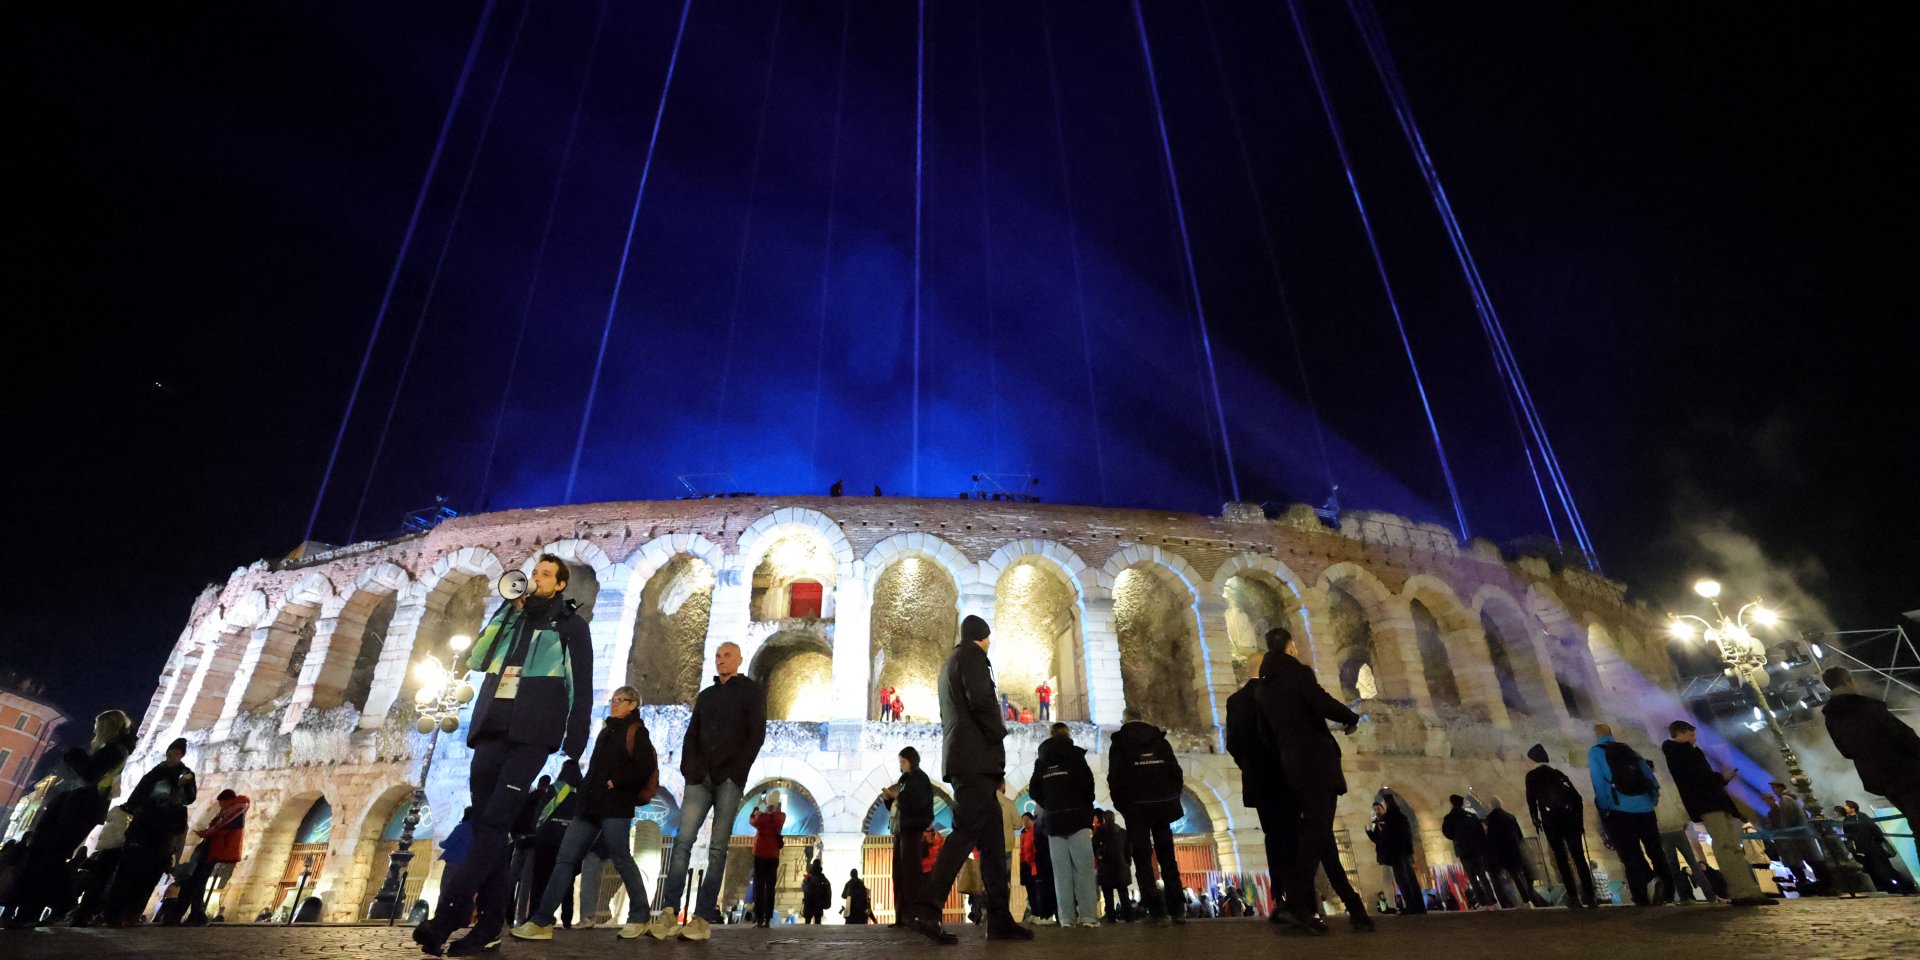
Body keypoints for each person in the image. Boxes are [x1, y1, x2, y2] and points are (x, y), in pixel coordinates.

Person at [415, 554, 594, 958]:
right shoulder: (513, 616)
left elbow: (581, 684)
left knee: (494, 821)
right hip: (492, 726)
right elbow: (477, 659)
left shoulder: (570, 625)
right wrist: (505, 610)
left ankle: (449, 916)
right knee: (486, 828)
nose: (536, 579)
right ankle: (489, 926)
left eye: (545, 575)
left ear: (560, 584)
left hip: (533, 732)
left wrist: (575, 741)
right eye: (534, 573)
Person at [903, 615, 1031, 943]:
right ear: (983, 637)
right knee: (965, 833)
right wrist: (998, 733)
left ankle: (1000, 918)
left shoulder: (950, 664)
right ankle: (926, 908)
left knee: (992, 843)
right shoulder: (973, 658)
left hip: (964, 757)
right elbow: (982, 701)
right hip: (975, 759)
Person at [512, 685, 659, 942]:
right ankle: (542, 920)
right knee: (565, 859)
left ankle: (640, 915)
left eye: (620, 700)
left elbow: (644, 766)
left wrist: (616, 781)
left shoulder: (637, 731)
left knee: (621, 858)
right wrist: (584, 791)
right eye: (613, 699)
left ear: (633, 704)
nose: (614, 703)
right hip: (590, 806)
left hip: (615, 806)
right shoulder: (606, 730)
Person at [649, 641, 766, 942]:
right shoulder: (706, 695)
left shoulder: (750, 692)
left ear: (739, 660)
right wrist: (689, 769)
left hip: (729, 779)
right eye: (717, 656)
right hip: (699, 778)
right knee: (683, 841)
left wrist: (738, 771)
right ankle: (669, 911)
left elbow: (756, 734)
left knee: (717, 848)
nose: (721, 660)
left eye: (727, 655)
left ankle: (701, 917)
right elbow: (692, 734)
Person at [1255, 629, 1363, 935]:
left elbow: (1265, 735)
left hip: (1291, 766)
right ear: (1290, 647)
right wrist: (1350, 717)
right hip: (1317, 762)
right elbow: (1320, 701)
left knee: (1318, 834)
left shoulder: (1263, 688)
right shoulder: (1298, 674)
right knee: (1317, 833)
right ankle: (1297, 903)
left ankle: (1352, 908)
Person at [6, 709, 137, 928]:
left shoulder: (116, 750)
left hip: (83, 807)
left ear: (108, 728)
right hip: (71, 802)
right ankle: (29, 907)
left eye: (98, 726)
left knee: (51, 858)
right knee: (41, 853)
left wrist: (73, 754)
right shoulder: (107, 748)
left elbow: (91, 774)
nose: (95, 730)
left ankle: (42, 908)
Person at [1659, 720, 1770, 906]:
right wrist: (1721, 777)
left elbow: (1703, 778)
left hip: (1716, 802)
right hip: (1708, 804)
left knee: (1733, 847)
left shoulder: (1689, 752)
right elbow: (1696, 778)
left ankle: (1749, 890)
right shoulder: (1679, 752)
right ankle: (1740, 892)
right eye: (1691, 734)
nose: (1694, 738)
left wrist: (1722, 782)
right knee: (1725, 846)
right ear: (1679, 733)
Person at [104, 736, 197, 924]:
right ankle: (113, 913)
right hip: (144, 826)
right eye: (171, 752)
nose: (172, 756)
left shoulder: (185, 774)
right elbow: (137, 796)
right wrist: (138, 807)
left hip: (162, 830)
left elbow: (189, 798)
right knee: (128, 871)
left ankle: (131, 913)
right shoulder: (155, 772)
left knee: (148, 874)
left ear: (181, 755)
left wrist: (181, 787)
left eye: (177, 753)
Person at [1108, 707, 1185, 924]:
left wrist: (1123, 806)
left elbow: (1115, 778)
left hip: (1136, 809)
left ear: (1124, 720)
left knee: (1142, 859)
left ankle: (1156, 911)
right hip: (1162, 805)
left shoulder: (1120, 742)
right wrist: (1171, 796)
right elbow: (1175, 771)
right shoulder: (1159, 740)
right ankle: (1177, 909)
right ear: (1142, 719)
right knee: (1167, 857)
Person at [1587, 724, 1673, 907]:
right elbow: (1648, 775)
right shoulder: (1629, 750)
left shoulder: (1595, 752)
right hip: (1645, 808)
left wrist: (1605, 808)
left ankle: (1647, 884)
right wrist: (1652, 799)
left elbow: (1598, 783)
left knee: (1630, 854)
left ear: (1596, 734)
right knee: (1655, 850)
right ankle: (1668, 892)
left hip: (1620, 809)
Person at [1821, 667, 1920, 826]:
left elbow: (1845, 751)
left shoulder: (1831, 718)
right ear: (1848, 680)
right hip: (1905, 770)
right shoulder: (1864, 706)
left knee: (1914, 820)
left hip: (1879, 778)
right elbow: (1902, 734)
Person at [1029, 722, 1098, 928]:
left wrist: (1050, 805)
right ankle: (1088, 917)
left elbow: (1034, 790)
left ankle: (1066, 918)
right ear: (1068, 735)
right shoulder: (1076, 755)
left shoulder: (1042, 760)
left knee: (1061, 872)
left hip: (1054, 820)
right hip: (1077, 818)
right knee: (1083, 869)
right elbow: (1088, 785)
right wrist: (1083, 805)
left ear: (1051, 734)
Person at [1524, 743, 1596, 908]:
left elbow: (1531, 801)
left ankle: (1573, 897)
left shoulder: (1532, 776)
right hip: (1570, 821)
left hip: (1552, 822)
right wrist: (1579, 822)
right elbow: (1577, 798)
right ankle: (1590, 895)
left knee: (1561, 859)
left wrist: (1536, 819)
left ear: (1533, 760)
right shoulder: (1558, 774)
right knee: (1579, 858)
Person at [177, 788, 249, 925]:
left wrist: (205, 833)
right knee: (198, 881)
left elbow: (221, 828)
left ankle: (196, 915)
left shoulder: (235, 810)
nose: (220, 806)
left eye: (221, 803)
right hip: (212, 848)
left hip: (214, 849)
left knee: (197, 881)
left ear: (226, 800)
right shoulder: (231, 811)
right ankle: (196, 914)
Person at [881, 746, 934, 924]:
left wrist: (899, 797)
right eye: (900, 762)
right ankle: (901, 915)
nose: (901, 765)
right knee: (898, 872)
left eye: (903, 762)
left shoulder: (920, 779)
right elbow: (898, 806)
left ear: (912, 761)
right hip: (900, 830)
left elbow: (917, 803)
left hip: (912, 830)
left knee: (910, 873)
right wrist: (889, 799)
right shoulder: (904, 780)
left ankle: (911, 915)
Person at [1483, 797, 1549, 907]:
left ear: (1490, 806)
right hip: (1515, 851)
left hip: (1502, 854)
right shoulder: (1510, 817)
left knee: (1503, 880)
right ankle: (1530, 901)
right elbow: (1520, 836)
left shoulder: (1491, 820)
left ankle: (1516, 903)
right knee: (1519, 877)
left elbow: (1492, 840)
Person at [1839, 800, 1914, 895]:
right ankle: (1887, 888)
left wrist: (1875, 842)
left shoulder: (1863, 817)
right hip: (1862, 851)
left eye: (1846, 805)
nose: (1844, 807)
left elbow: (1876, 830)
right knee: (1872, 870)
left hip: (1874, 848)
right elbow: (1849, 836)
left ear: (1853, 808)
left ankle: (1905, 887)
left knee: (1885, 869)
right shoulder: (1847, 821)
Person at [1366, 795, 1424, 914]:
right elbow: (1408, 834)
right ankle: (1418, 906)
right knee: (1410, 878)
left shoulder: (1388, 818)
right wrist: (1410, 851)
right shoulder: (1401, 816)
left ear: (1385, 805)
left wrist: (1372, 833)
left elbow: (1385, 838)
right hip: (1403, 852)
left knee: (1402, 879)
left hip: (1394, 853)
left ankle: (1410, 906)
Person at [1764, 781, 1823, 895]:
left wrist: (1783, 831)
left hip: (1796, 837)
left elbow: (1787, 820)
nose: (1774, 791)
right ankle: (1817, 885)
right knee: (1811, 861)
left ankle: (1821, 886)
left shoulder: (1785, 800)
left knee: (1811, 861)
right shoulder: (1788, 800)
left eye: (1774, 788)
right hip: (1798, 837)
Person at [509, 774, 553, 924]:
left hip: (520, 841)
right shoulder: (546, 800)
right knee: (526, 883)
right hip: (533, 842)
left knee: (511, 879)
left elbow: (515, 817)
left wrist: (515, 836)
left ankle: (503, 913)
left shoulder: (526, 798)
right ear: (548, 785)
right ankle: (521, 917)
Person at [1441, 795, 1499, 908]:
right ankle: (1491, 900)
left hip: (1463, 851)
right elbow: (1480, 832)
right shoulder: (1471, 816)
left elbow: (1447, 832)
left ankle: (1482, 902)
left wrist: (1457, 837)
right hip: (1476, 850)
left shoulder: (1449, 818)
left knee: (1472, 878)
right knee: (1482, 876)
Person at [748, 794, 786, 927]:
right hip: (774, 855)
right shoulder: (781, 817)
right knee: (770, 887)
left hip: (760, 854)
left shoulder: (762, 818)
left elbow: (752, 821)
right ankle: (768, 918)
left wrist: (756, 809)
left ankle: (759, 917)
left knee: (759, 886)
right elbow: (777, 816)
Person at [1091, 809, 1132, 922]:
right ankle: (1128, 916)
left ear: (1104, 819)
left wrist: (1098, 858)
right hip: (1121, 867)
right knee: (1123, 894)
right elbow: (1128, 850)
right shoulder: (1122, 832)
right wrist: (1127, 863)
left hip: (1105, 867)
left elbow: (1094, 847)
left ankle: (1111, 917)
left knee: (1108, 895)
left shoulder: (1099, 832)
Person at [997, 780, 1024, 921]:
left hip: (990, 849)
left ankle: (989, 915)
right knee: (1005, 882)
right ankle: (1004, 914)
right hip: (1006, 848)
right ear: (1002, 786)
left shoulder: (985, 802)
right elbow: (1018, 824)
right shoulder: (1008, 803)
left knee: (989, 882)